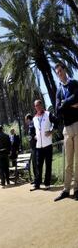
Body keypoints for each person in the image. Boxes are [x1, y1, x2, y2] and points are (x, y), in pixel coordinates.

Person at [54, 63, 78, 201]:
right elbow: (57, 109)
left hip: (77, 125)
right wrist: (70, 104)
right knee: (68, 161)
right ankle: (66, 189)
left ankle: (77, 189)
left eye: (61, 70)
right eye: (57, 72)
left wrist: (65, 103)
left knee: (77, 160)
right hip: (66, 129)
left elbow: (77, 98)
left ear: (65, 70)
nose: (59, 73)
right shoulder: (59, 90)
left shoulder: (74, 83)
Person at [31, 99, 58, 191]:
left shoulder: (48, 114)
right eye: (36, 106)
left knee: (48, 165)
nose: (37, 107)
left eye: (39, 105)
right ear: (34, 107)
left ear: (41, 105)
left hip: (48, 144)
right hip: (39, 146)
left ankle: (47, 184)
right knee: (39, 165)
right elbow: (33, 130)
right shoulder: (34, 118)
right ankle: (37, 184)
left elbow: (56, 121)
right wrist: (35, 135)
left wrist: (51, 131)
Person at [25, 113, 37, 186]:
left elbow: (35, 133)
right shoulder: (30, 125)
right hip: (33, 146)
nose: (25, 121)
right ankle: (36, 179)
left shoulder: (33, 123)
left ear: (28, 119)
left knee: (35, 163)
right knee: (34, 164)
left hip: (35, 146)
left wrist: (31, 137)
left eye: (26, 119)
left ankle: (37, 179)